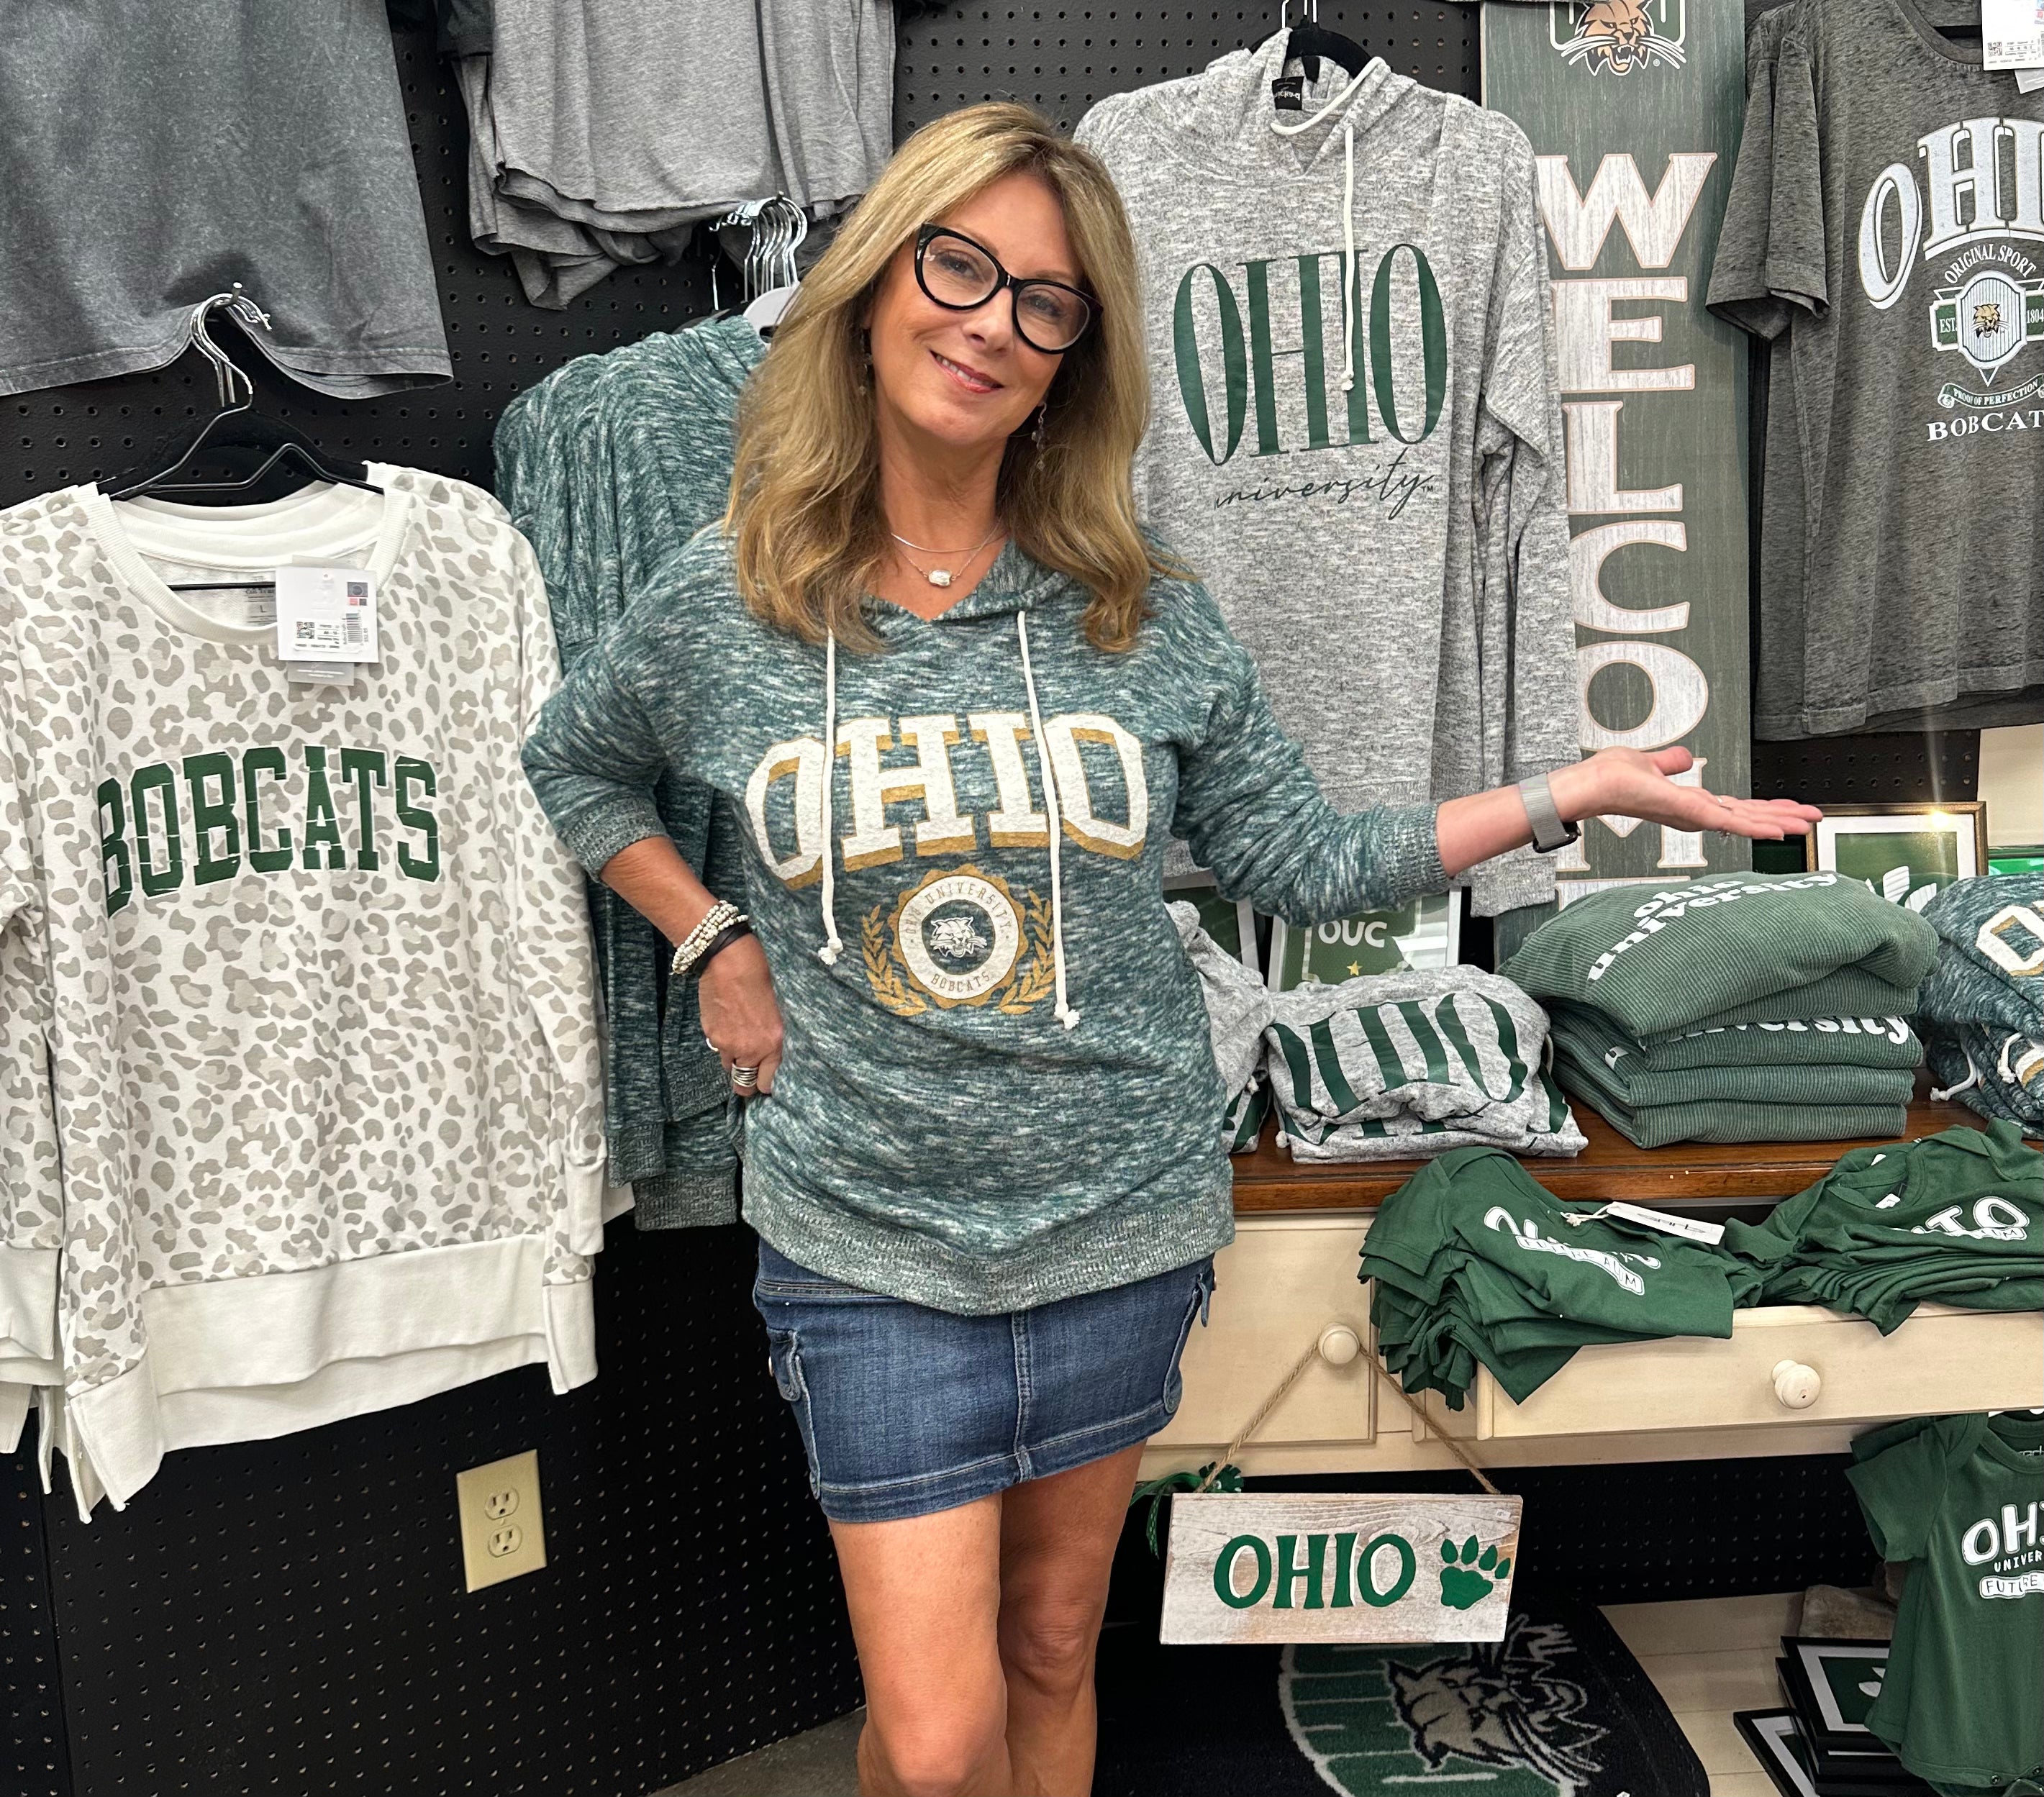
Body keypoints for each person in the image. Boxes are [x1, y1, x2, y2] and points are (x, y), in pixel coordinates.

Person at [521, 102, 1820, 1797]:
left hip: (1120, 1218)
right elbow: (574, 761)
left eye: (1045, 303)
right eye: (958, 266)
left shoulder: (1135, 604)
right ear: (869, 286)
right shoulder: (734, 599)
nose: (991, 321)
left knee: (1057, 1649)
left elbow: (1303, 853)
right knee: (930, 1739)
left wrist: (1557, 788)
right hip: (869, 1239)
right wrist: (710, 941)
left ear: (1074, 358)